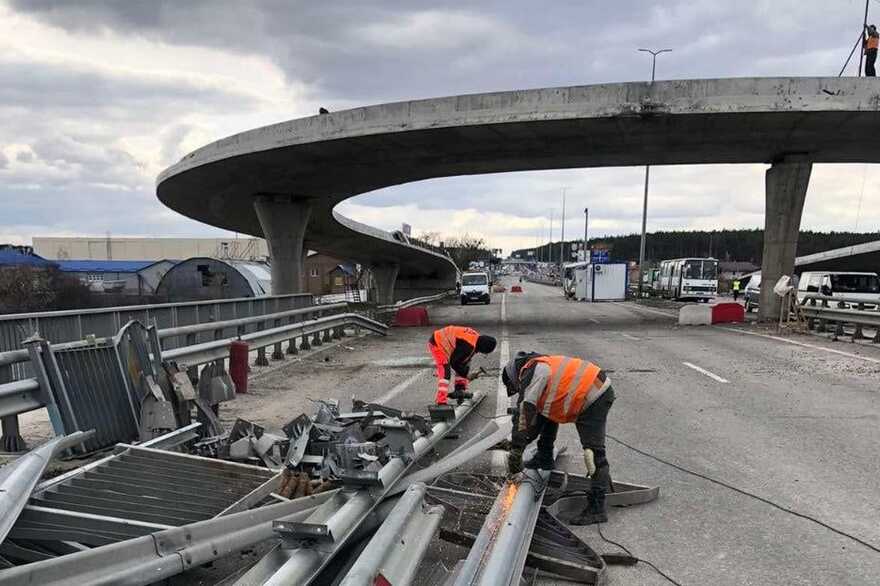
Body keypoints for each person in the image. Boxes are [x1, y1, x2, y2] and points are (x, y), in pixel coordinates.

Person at [502, 351, 615, 525]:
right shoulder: (538, 365)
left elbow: (525, 413)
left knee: (592, 453)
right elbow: (540, 416)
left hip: (594, 395)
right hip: (594, 386)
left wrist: (517, 449)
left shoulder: (532, 373)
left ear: (514, 377)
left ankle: (597, 508)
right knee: (547, 413)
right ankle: (544, 457)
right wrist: (523, 440)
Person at [428, 326, 497, 405]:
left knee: (464, 365)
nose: (483, 354)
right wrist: (467, 375)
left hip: (446, 342)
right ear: (483, 348)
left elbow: (464, 362)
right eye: (485, 352)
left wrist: (464, 376)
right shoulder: (468, 346)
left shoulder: (476, 340)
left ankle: (459, 391)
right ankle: (441, 402)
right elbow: (454, 363)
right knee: (445, 373)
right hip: (437, 343)